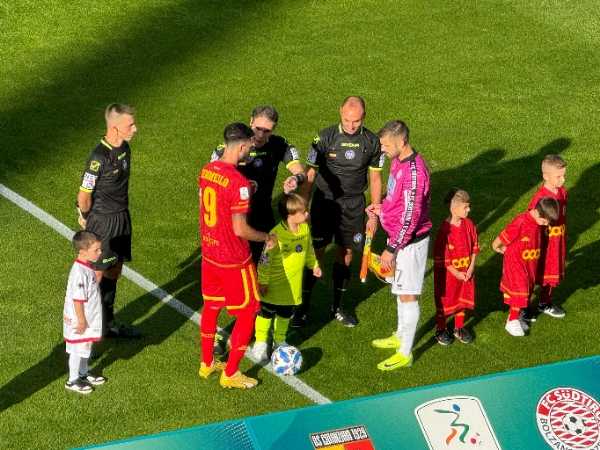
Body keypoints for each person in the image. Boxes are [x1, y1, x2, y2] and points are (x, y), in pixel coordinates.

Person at [198, 122, 277, 389]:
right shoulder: (239, 183)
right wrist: (267, 237)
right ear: (242, 146)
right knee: (249, 312)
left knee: (211, 306)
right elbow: (240, 228)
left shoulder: (207, 171)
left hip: (209, 254)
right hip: (233, 259)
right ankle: (230, 373)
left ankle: (207, 363)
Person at [295, 96, 383, 328]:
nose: (351, 125)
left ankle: (338, 306)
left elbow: (375, 177)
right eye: (347, 119)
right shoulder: (323, 138)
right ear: (339, 113)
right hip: (325, 203)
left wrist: (374, 211)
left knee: (346, 253)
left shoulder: (373, 142)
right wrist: (302, 208)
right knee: (316, 252)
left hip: (353, 205)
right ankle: (301, 308)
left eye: (356, 121)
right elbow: (310, 175)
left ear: (364, 117)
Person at [367, 120, 431, 370]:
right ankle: (400, 335)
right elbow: (396, 199)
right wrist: (381, 209)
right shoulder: (398, 161)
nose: (382, 149)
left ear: (401, 141)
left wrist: (391, 248)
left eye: (385, 144)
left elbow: (411, 216)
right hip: (399, 239)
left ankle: (405, 353)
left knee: (408, 295)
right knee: (399, 289)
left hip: (409, 244)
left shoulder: (415, 172)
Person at [210, 105, 305, 264]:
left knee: (266, 264)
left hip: (263, 213)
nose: (260, 135)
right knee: (237, 263)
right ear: (251, 121)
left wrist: (295, 179)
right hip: (235, 215)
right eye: (257, 128)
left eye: (267, 130)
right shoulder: (230, 149)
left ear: (274, 128)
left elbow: (300, 172)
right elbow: (212, 181)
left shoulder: (279, 145)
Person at [76, 103, 139, 338]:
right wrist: (84, 217)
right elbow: (84, 196)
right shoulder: (98, 158)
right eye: (130, 125)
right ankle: (86, 334)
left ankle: (107, 322)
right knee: (95, 276)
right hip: (103, 223)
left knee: (114, 270)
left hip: (122, 217)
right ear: (114, 128)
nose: (135, 129)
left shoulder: (125, 148)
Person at [251, 193, 322, 361]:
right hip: (274, 285)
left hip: (293, 285)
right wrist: (263, 281)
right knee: (266, 313)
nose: (306, 214)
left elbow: (308, 248)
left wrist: (314, 265)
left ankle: (280, 340)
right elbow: (265, 260)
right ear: (290, 215)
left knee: (285, 314)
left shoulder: (304, 229)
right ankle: (260, 341)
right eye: (303, 212)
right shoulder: (275, 235)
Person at [492, 197, 559, 337]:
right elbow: (503, 237)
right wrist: (496, 246)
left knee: (527, 289)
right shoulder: (521, 221)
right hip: (515, 263)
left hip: (529, 263)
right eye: (545, 221)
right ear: (538, 213)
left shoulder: (538, 224)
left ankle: (517, 316)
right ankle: (511, 321)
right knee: (520, 290)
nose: (546, 225)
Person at [433, 189, 479, 345]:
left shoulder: (469, 224)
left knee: (462, 300)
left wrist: (471, 268)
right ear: (454, 208)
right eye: (465, 207)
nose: (469, 210)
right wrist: (457, 273)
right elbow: (444, 259)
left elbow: (474, 248)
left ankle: (459, 327)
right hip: (448, 277)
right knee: (446, 302)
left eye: (469, 206)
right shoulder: (444, 231)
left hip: (466, 273)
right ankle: (441, 328)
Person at [63, 231, 106, 394]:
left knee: (85, 347)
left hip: (88, 317)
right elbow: (78, 299)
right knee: (77, 349)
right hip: (81, 319)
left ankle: (83, 373)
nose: (100, 253)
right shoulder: (79, 273)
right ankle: (72, 380)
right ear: (83, 251)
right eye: (96, 250)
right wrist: (81, 320)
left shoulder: (87, 267)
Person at [525, 154, 568, 319]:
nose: (562, 180)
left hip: (558, 242)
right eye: (558, 176)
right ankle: (524, 307)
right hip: (543, 245)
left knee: (552, 273)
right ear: (545, 176)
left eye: (564, 175)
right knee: (534, 274)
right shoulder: (540, 198)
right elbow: (531, 221)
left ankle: (545, 302)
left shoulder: (563, 193)